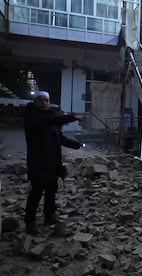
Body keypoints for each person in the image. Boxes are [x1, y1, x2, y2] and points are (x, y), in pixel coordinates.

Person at [23, 90, 85, 235]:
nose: (44, 103)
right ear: (35, 102)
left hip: (52, 162)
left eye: (46, 100)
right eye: (40, 100)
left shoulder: (51, 116)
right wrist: (72, 117)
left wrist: (77, 145)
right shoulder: (32, 117)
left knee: (51, 191)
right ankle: (29, 223)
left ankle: (49, 217)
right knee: (36, 193)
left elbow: (59, 137)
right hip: (38, 161)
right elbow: (48, 122)